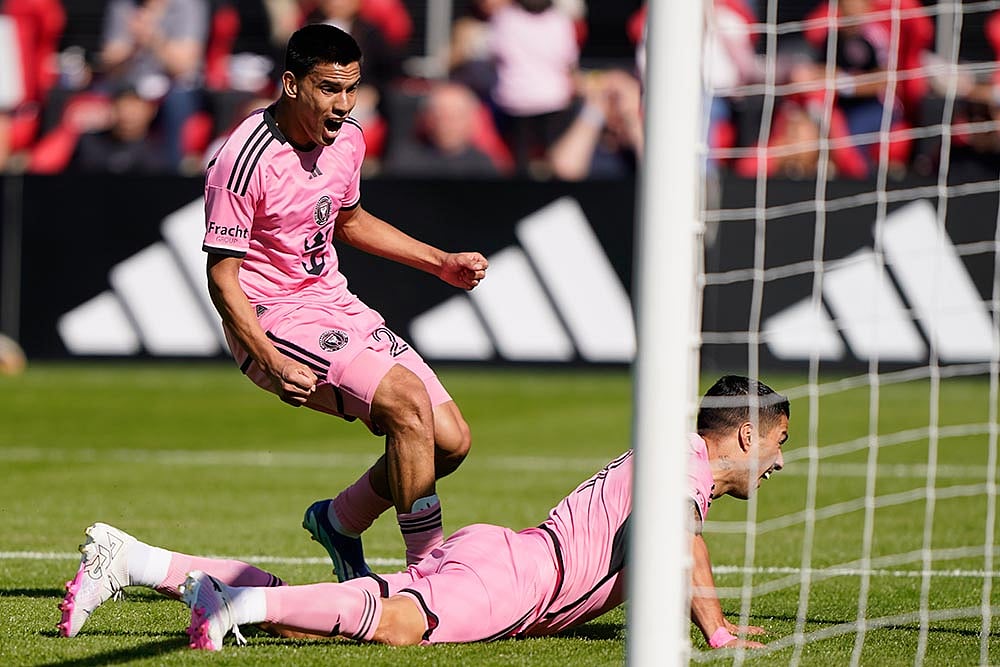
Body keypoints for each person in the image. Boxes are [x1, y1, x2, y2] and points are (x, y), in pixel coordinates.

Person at [57, 375, 789, 651]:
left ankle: (139, 561)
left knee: (345, 605)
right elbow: (676, 539)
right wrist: (718, 632)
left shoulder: (675, 454)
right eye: (779, 442)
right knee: (398, 624)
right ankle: (231, 604)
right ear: (748, 434)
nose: (780, 461)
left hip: (506, 558)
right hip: (519, 579)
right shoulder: (688, 465)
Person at [200, 23, 488, 590]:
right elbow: (221, 276)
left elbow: (349, 220)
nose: (344, 104)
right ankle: (428, 581)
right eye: (330, 89)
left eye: (351, 89)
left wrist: (439, 262)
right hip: (274, 314)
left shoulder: (348, 138)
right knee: (407, 405)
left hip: (334, 303)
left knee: (451, 441)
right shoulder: (243, 159)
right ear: (291, 84)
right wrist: (267, 356)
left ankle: (337, 522)